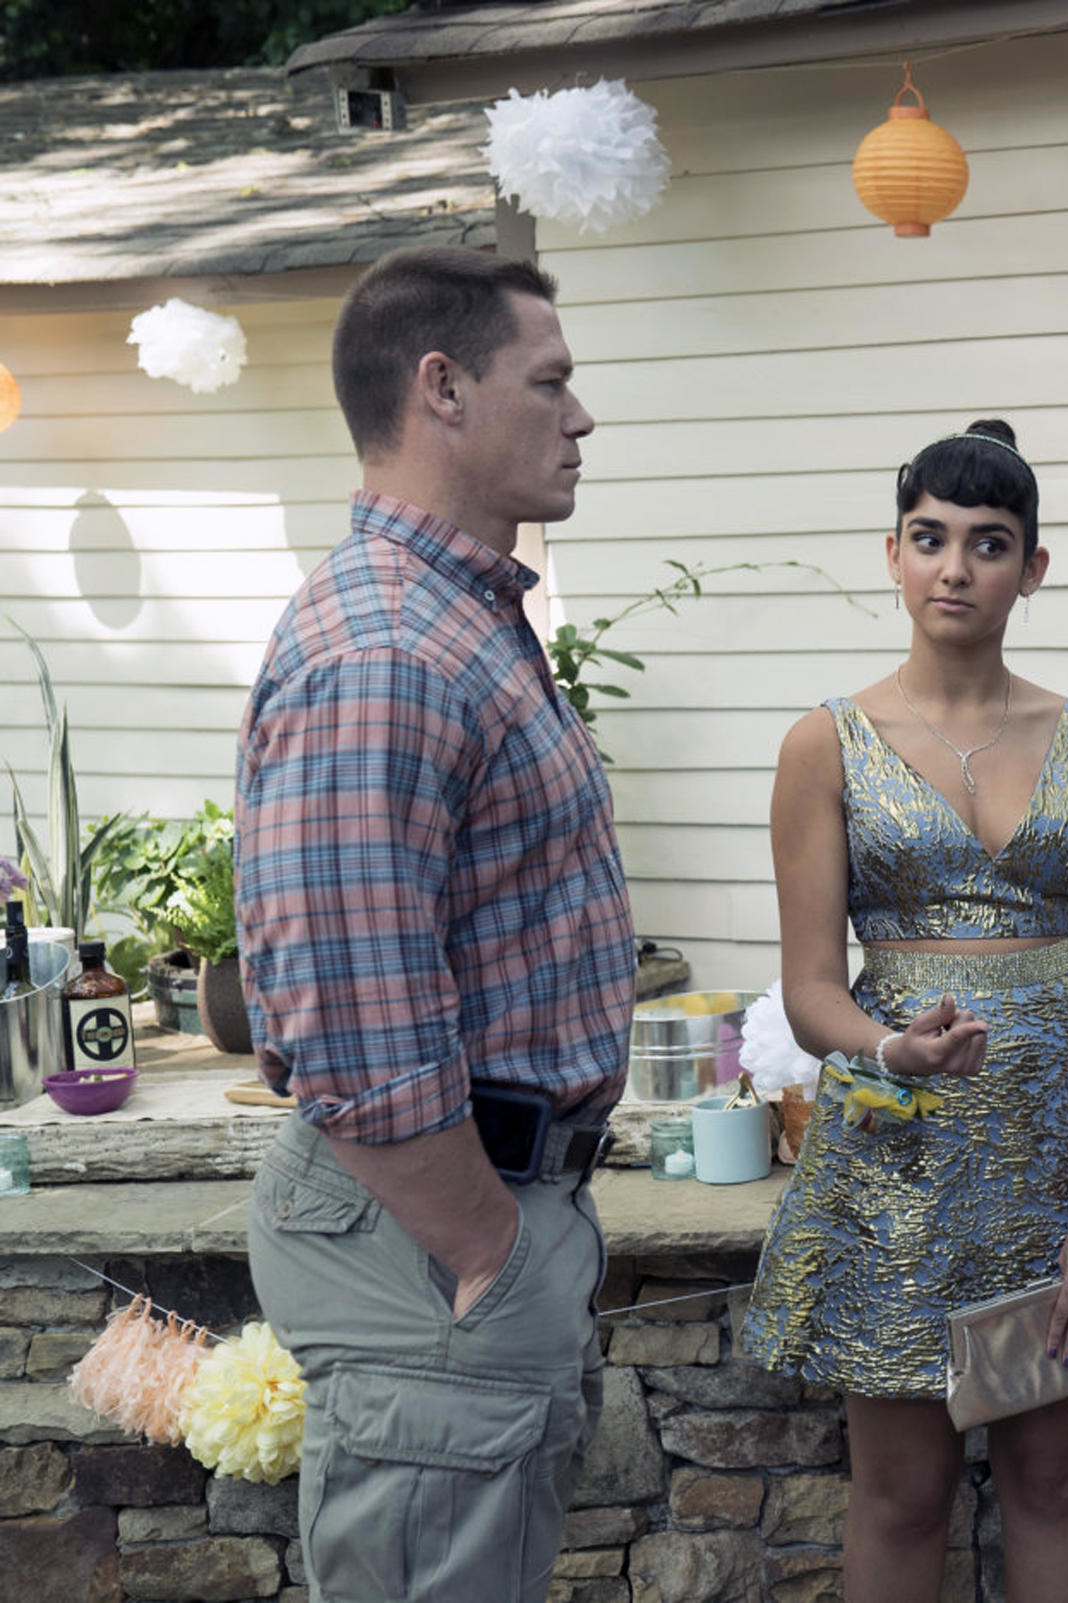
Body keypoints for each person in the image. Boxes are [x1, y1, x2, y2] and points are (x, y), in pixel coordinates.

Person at [741, 419, 1068, 1602]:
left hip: (1060, 1165)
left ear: (1031, 569)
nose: (955, 566)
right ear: (890, 554)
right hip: (905, 1158)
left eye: (988, 543)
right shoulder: (823, 744)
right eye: (930, 537)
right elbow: (808, 988)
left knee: (1054, 1484)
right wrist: (886, 1044)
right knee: (902, 1498)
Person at [237, 246, 631, 1603]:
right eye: (554, 380)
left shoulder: (460, 618)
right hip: (435, 1236)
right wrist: (483, 1248)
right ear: (443, 388)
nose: (582, 416)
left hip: (478, 1220)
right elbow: (355, 1015)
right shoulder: (393, 646)